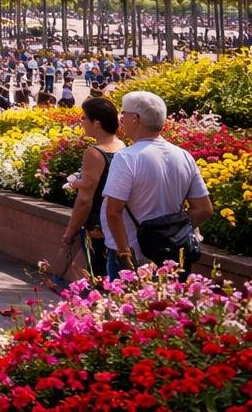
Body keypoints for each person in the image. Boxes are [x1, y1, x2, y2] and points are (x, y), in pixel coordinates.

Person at [102, 90, 213, 280]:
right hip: (174, 253)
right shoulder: (183, 155)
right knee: (172, 299)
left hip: (135, 255)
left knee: (128, 300)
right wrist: (175, 231)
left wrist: (124, 252)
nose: (121, 120)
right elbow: (204, 209)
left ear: (136, 119)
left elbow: (113, 211)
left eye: (124, 114)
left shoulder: (127, 157)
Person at [55, 96, 125, 283]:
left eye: (84, 118)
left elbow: (85, 200)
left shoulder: (94, 153)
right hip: (116, 223)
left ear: (97, 123)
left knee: (86, 274)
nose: (81, 122)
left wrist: (69, 233)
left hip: (97, 225)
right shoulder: (122, 146)